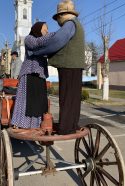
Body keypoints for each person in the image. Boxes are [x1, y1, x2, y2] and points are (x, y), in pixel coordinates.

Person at [29, 0, 85, 135]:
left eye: (58, 18)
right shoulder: (77, 25)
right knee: (73, 98)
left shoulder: (69, 25)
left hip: (68, 66)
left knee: (66, 98)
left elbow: (56, 42)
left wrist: (37, 52)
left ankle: (65, 127)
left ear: (62, 15)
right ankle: (72, 125)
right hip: (76, 66)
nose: (57, 21)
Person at [11, 22, 55, 129]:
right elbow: (36, 44)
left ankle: (37, 125)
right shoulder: (29, 38)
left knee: (39, 103)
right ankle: (22, 124)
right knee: (28, 102)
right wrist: (54, 35)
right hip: (29, 74)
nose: (47, 32)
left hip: (40, 75)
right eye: (45, 30)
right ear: (38, 29)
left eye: (48, 30)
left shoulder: (44, 44)